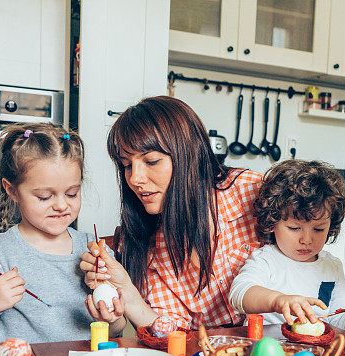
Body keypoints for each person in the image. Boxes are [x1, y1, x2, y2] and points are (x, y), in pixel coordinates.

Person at [80, 96, 263, 333]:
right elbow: (169, 334)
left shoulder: (252, 192)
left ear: (188, 154)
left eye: (151, 161)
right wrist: (125, 288)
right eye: (126, 165)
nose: (135, 179)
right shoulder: (142, 241)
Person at [0, 123, 125, 348]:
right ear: (12, 190)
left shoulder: (95, 251)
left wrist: (111, 319)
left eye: (72, 193)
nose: (61, 205)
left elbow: (116, 331)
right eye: (45, 197)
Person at [229, 160, 345, 333]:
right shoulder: (267, 259)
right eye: (294, 228)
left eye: (318, 229)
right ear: (272, 222)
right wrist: (278, 301)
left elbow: (339, 320)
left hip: (313, 353)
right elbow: (239, 293)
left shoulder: (332, 266)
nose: (307, 240)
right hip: (267, 349)